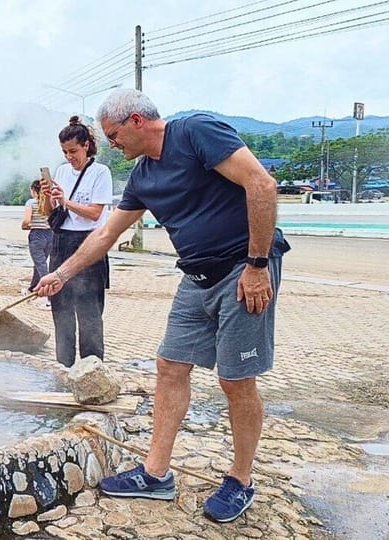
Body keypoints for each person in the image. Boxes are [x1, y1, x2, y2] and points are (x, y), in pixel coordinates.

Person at [35, 89, 290, 523]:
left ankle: (241, 479)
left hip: (243, 270)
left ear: (136, 120)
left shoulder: (195, 132)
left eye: (113, 135)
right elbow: (103, 235)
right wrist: (62, 273)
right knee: (170, 365)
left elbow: (261, 184)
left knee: (235, 379)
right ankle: (155, 474)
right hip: (196, 275)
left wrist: (257, 265)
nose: (111, 145)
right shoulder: (142, 177)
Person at [41, 116, 112, 367]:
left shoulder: (100, 172)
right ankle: (63, 367)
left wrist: (66, 200)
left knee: (89, 312)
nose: (69, 156)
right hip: (61, 242)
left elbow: (95, 213)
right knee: (61, 310)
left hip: (89, 243)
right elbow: (51, 213)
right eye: (64, 152)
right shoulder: (61, 170)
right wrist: (49, 196)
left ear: (86, 145)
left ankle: (92, 369)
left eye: (73, 151)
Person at [21, 179, 52, 306]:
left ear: (34, 190)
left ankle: (50, 296)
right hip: (50, 235)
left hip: (37, 236)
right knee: (40, 263)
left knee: (41, 265)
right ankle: (32, 289)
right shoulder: (50, 203)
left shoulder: (31, 203)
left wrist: (24, 226)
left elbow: (27, 221)